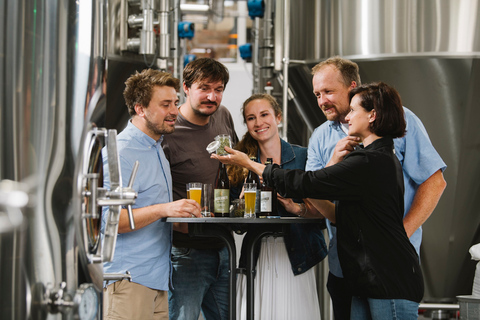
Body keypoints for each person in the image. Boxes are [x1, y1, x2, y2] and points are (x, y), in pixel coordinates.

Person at [213, 82, 427, 320]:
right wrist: (301, 205)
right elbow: (337, 213)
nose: (348, 117)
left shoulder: (370, 161)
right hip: (365, 278)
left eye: (354, 111)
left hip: (389, 279)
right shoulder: (368, 158)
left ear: (373, 115)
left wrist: (250, 164)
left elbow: (309, 181)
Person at [306, 57, 447, 319]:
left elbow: (435, 181)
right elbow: (314, 191)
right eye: (317, 94)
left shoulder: (401, 123)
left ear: (352, 86)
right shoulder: (321, 136)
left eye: (328, 91)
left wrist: (398, 237)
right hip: (344, 266)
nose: (322, 101)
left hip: (390, 266)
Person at [101, 69, 202, 320]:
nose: (174, 111)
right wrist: (164, 209)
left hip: (158, 281)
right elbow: (109, 223)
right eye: (165, 104)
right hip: (128, 281)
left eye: (175, 103)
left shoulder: (156, 148)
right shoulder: (120, 153)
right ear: (140, 109)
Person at [228, 94, 327, 319]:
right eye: (251, 118)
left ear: (278, 117)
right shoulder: (241, 164)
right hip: (256, 254)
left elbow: (324, 215)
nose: (258, 122)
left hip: (297, 255)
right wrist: (242, 203)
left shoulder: (303, 156)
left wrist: (296, 208)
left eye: (264, 115)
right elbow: (237, 226)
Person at [161, 58, 238, 320]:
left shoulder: (223, 116)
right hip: (187, 252)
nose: (211, 96)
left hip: (223, 245)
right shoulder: (169, 131)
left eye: (218, 89)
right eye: (204, 88)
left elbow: (234, 168)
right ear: (186, 87)